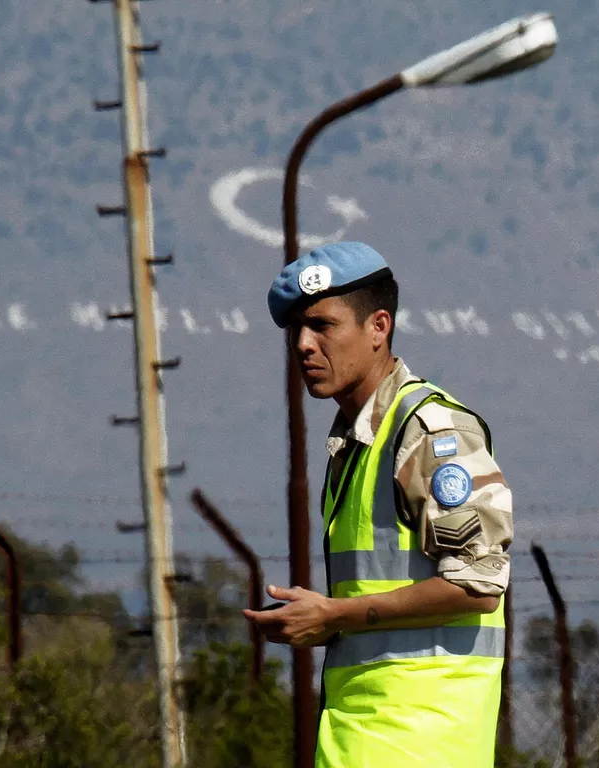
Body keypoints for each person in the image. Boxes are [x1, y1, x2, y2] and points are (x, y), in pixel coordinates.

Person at [244, 241, 512, 768]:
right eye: (294, 329)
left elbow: (478, 583)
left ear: (378, 327)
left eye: (323, 325)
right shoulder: (356, 441)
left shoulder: (432, 432)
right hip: (363, 740)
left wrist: (333, 614)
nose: (303, 344)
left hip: (419, 745)